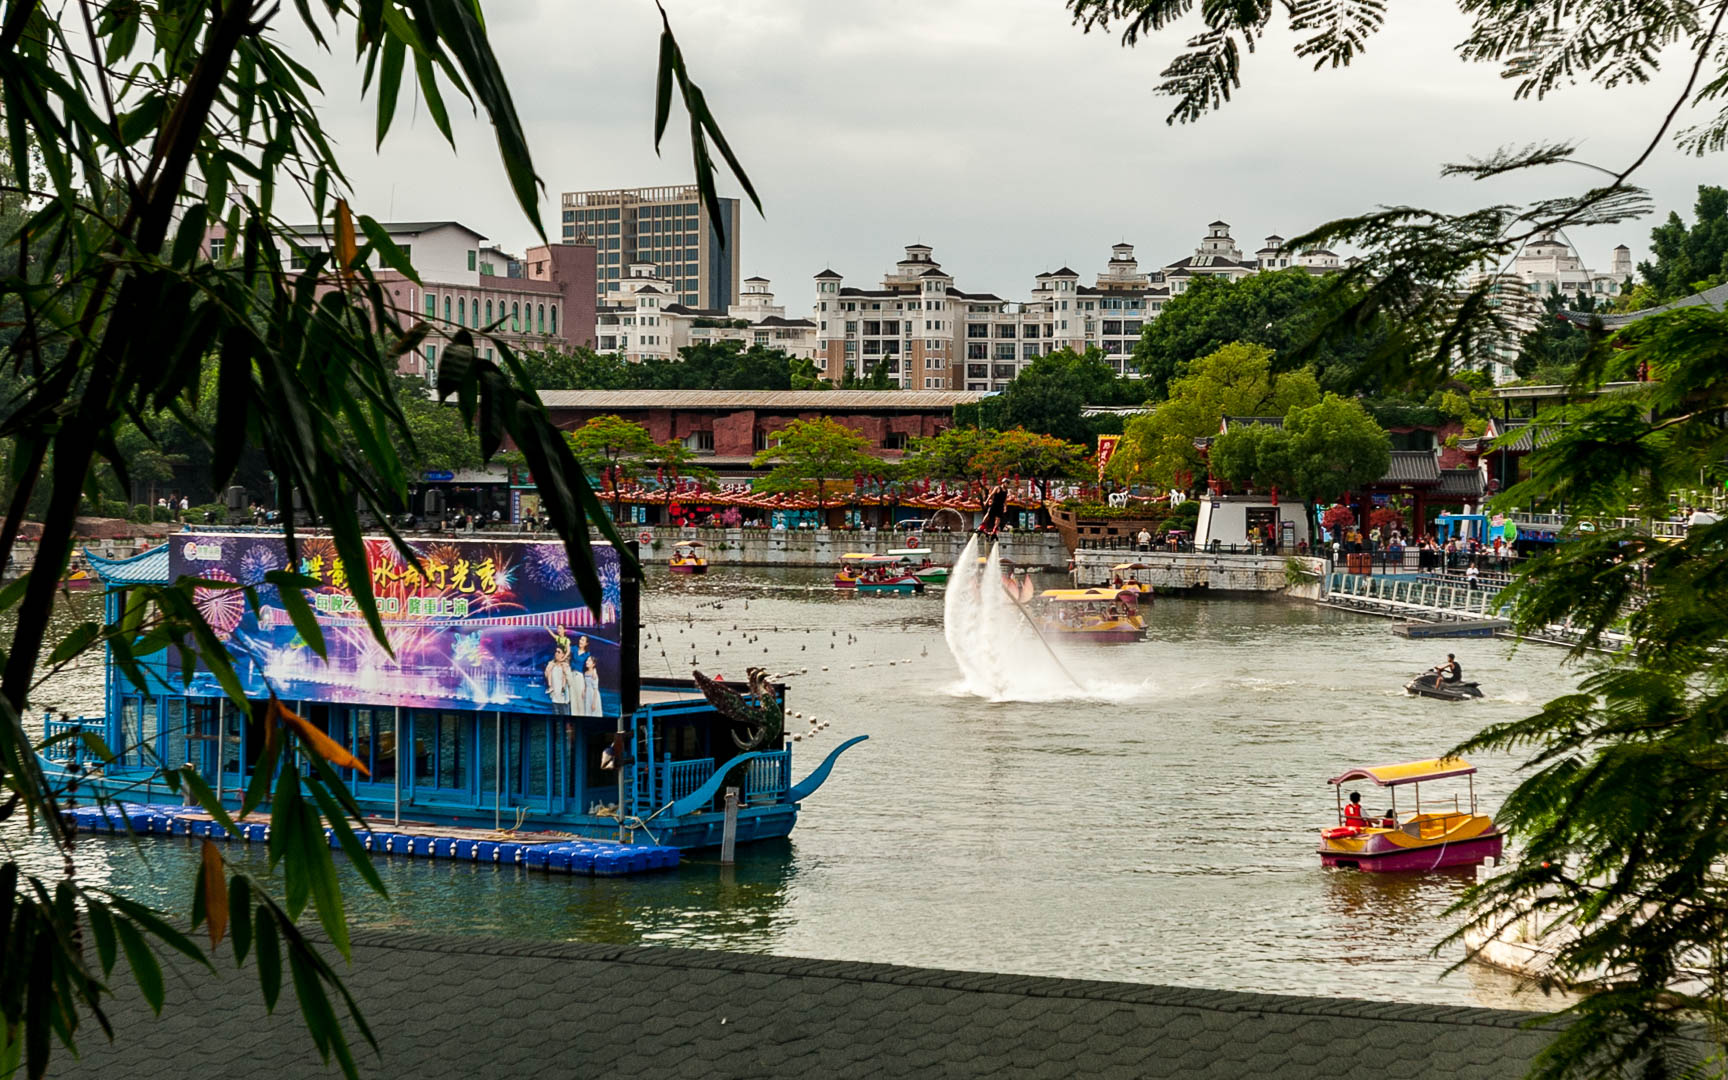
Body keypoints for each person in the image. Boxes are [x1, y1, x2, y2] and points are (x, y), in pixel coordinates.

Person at [543, 639, 574, 715]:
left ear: (563, 654)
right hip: (554, 700)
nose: (556, 653)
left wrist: (566, 671)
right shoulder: (551, 665)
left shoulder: (566, 666)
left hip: (564, 701)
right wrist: (548, 668)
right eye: (556, 651)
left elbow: (570, 682)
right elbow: (546, 676)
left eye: (559, 652)